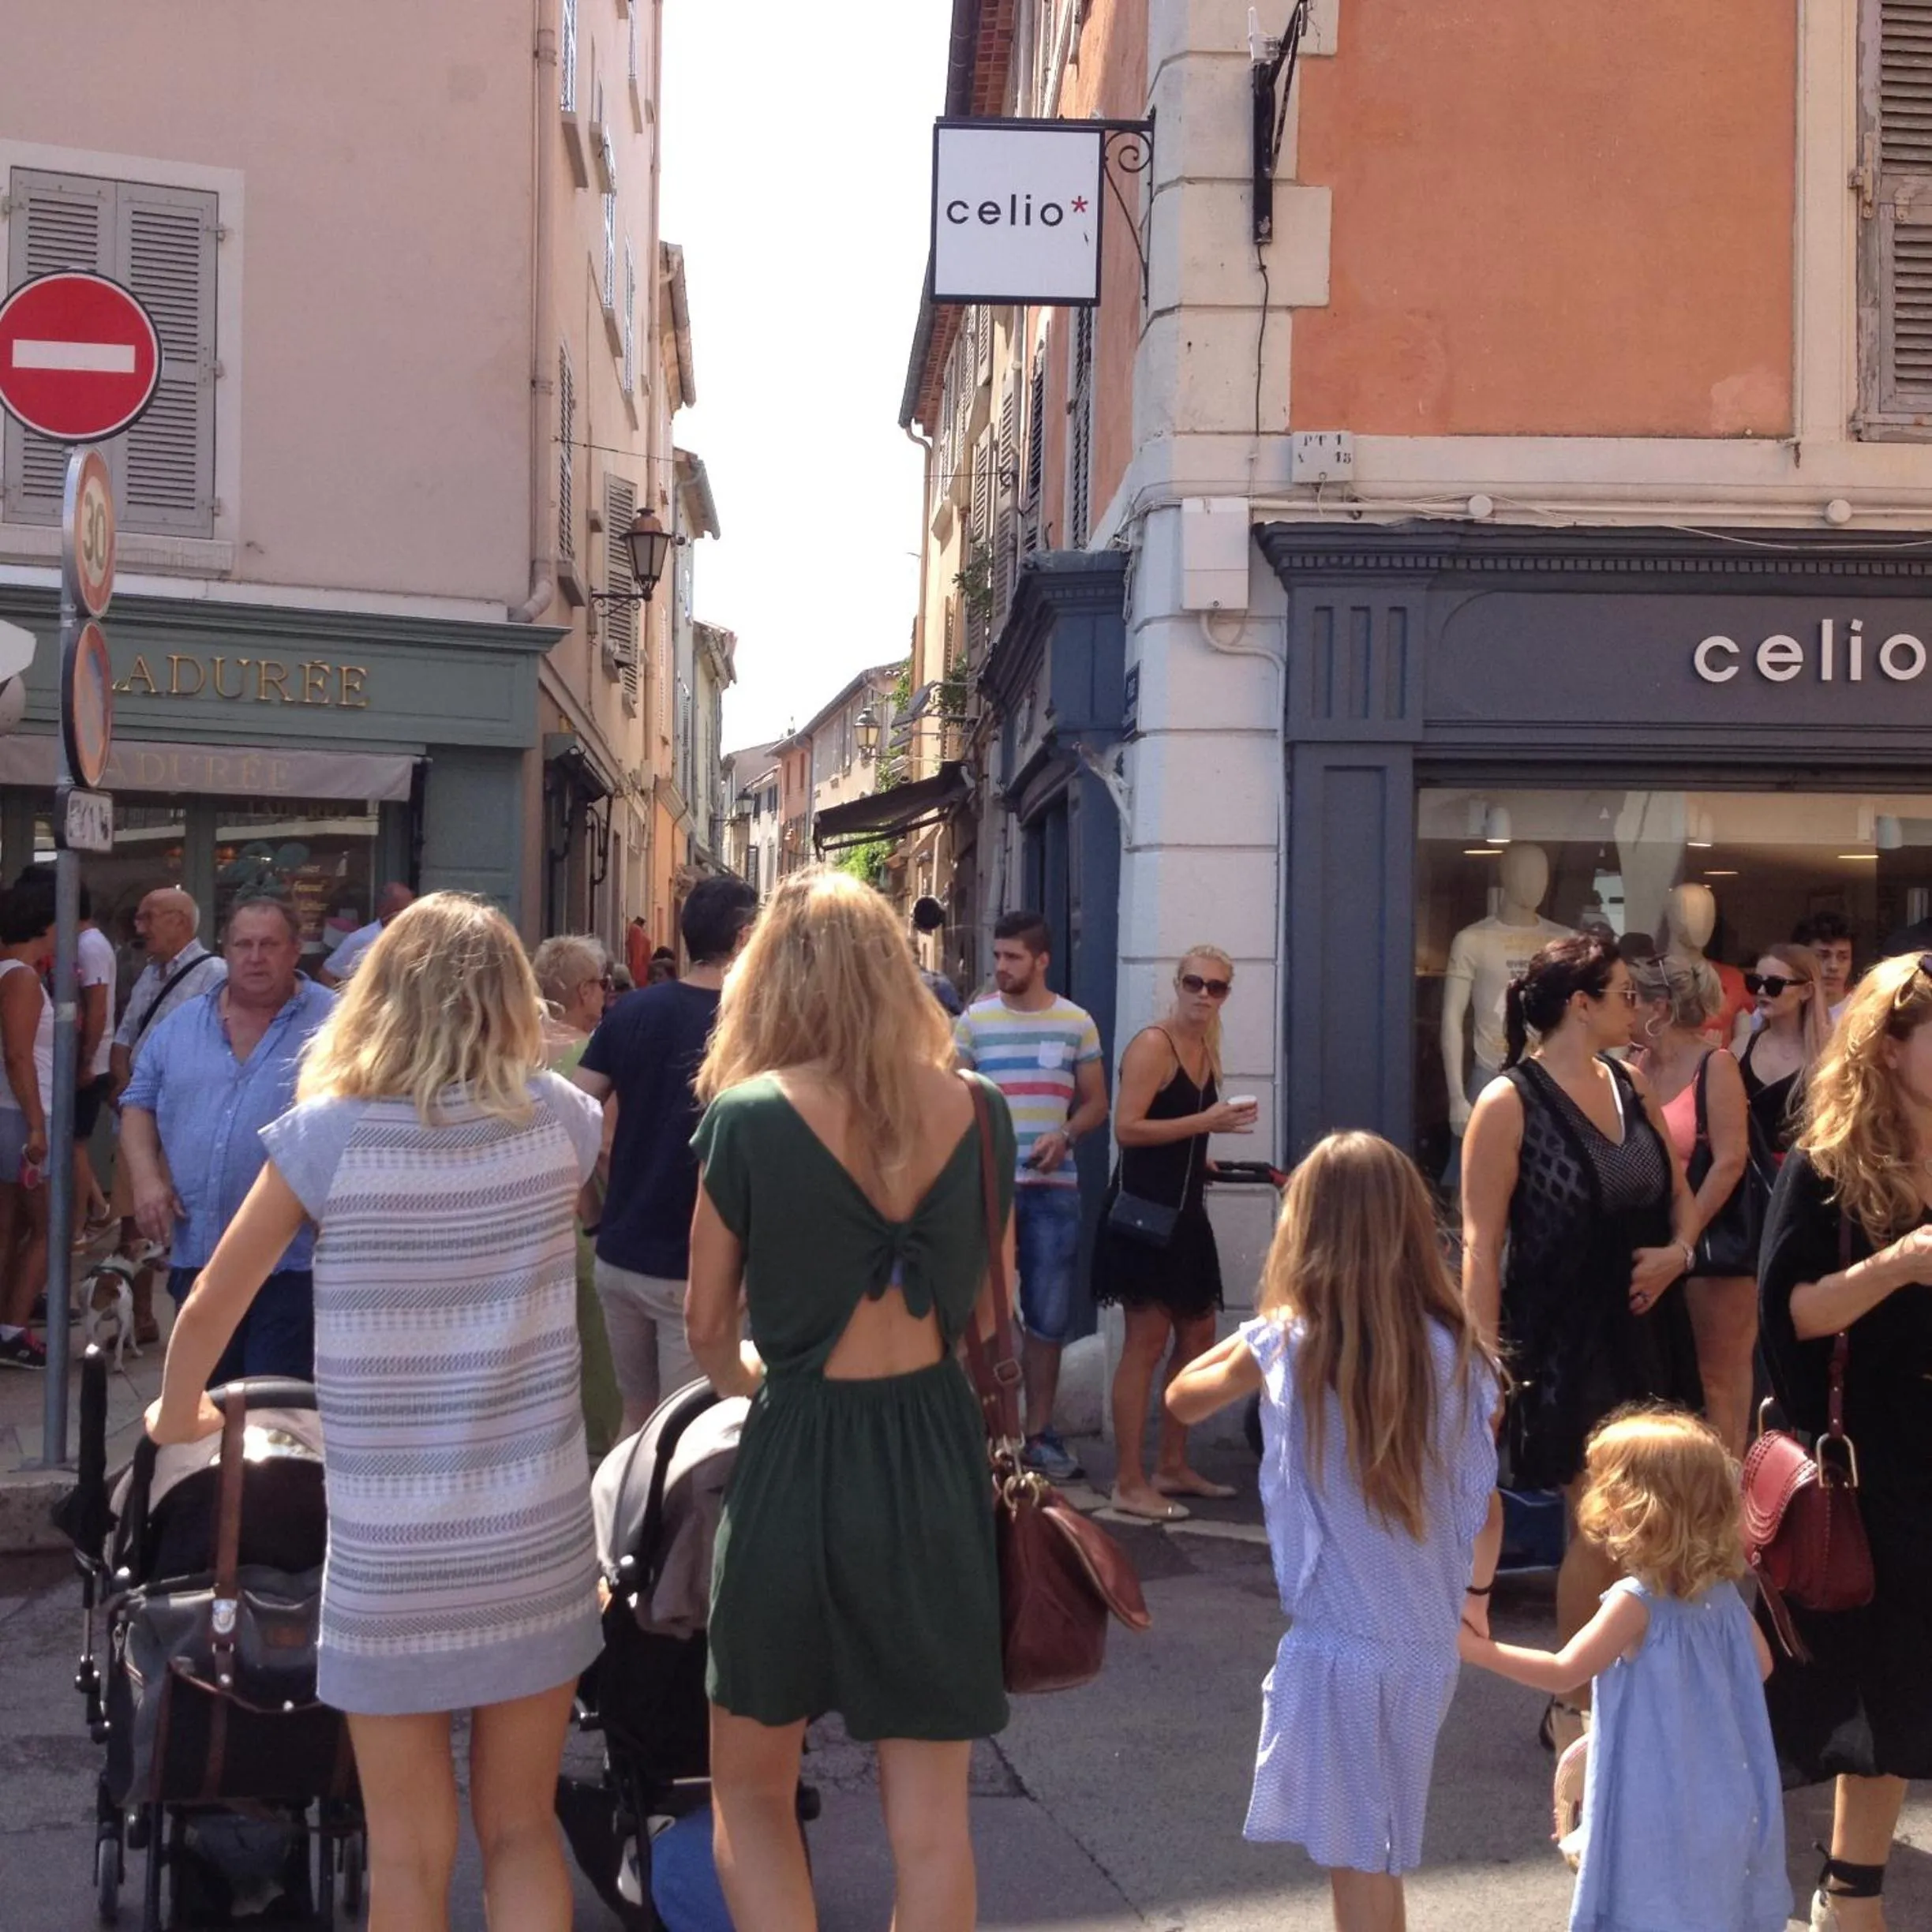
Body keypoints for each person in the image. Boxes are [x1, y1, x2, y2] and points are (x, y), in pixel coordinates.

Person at [145, 893, 606, 1932]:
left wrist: (177, 1414)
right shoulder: (563, 1120)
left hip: (391, 1548)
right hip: (535, 1533)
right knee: (522, 1827)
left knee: (406, 1849)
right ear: (506, 1002)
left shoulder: (328, 1137)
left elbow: (214, 1300)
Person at [686, 867, 1017, 1932]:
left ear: (768, 982)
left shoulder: (744, 1120)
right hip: (932, 1451)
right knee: (931, 1823)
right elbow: (986, 1308)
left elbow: (704, 1330)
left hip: (797, 1450)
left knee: (750, 1786)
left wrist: (762, 1389)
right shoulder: (983, 1110)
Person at [1165, 1132, 1500, 1932]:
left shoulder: (1290, 1342)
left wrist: (1261, 1334)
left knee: (1356, 1869)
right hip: (1422, 1646)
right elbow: (1485, 1507)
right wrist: (1476, 1597)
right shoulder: (1458, 1351)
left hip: (1341, 1644)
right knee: (1378, 1856)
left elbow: (1179, 1399)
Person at [1459, 933, 1702, 1749]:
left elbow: (1679, 1196)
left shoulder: (1629, 1083)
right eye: (1627, 994)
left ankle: (1623, 1695)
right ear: (1581, 1004)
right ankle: (1573, 1708)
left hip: (1646, 1334)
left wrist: (1680, 1254)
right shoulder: (1510, 1103)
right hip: (1560, 1343)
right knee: (1598, 1527)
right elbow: (1479, 1246)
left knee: (1649, 1526)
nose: (1641, 1008)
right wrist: (1483, 1366)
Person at [1458, 1410, 1788, 1932]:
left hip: (1657, 1810)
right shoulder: (1723, 1598)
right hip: (1723, 1798)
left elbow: (1564, 1671)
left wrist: (1480, 1651)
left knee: (1651, 1913)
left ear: (1638, 1508)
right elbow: (1761, 1669)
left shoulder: (1637, 1602)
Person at [1758, 951, 1932, 1932]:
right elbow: (1793, 1318)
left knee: (1910, 1683)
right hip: (1866, 1456)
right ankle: (1846, 1894)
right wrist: (1900, 1264)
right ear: (1892, 1047)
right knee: (1862, 1681)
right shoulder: (1828, 1165)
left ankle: (1848, 1895)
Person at [121, 898, 334, 1383]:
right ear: (226, 950)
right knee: (206, 1411)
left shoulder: (337, 1025)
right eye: (244, 945)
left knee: (272, 1416)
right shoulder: (181, 1026)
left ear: (295, 951)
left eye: (269, 945)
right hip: (200, 1255)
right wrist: (147, 1180)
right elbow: (138, 1104)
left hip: (293, 1266)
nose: (255, 957)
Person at [575, 875, 758, 1436]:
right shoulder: (755, 1024)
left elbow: (569, 1119)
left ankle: (626, 1522)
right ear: (747, 937)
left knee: (638, 1422)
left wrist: (593, 1215)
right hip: (703, 1270)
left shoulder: (630, 1013)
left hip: (622, 1255)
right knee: (691, 1438)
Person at [1092, 945, 1257, 1519]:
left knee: (1199, 1333)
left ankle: (1171, 1463)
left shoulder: (1205, 1046)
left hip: (1184, 1212)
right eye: (1195, 983)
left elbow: (1177, 1134)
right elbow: (1128, 1129)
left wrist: (1206, 1150)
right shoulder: (1152, 1044)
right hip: (1143, 1215)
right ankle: (1129, 1480)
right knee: (1145, 1342)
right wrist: (1204, 1123)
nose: (1204, 995)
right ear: (1178, 983)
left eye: (1216, 987)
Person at [953, 910, 1108, 1483]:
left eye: (1013, 958)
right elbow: (953, 1099)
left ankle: (1039, 1433)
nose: (1001, 967)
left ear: (1042, 960)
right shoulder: (973, 1022)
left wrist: (1064, 1134)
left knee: (1047, 1319)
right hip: (986, 1193)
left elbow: (1096, 1104)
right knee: (981, 1316)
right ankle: (989, 1429)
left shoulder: (1076, 1023)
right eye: (997, 956)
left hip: (1052, 1190)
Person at [1629, 951, 1758, 1457]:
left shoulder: (1716, 1063)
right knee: (1664, 1387)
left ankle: (1732, 1520)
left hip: (1712, 1250)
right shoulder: (1637, 1065)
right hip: (1656, 1249)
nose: (1626, 1009)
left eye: (1632, 998)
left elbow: (1730, 1161)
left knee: (1717, 1384)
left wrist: (1685, 1238)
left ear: (1660, 1006)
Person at [107, 887, 227, 1346]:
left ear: (180, 920)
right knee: (133, 1218)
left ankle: (191, 1319)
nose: (140, 927)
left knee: (180, 1217)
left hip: (179, 1117)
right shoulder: (149, 975)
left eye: (147, 917)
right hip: (137, 1113)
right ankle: (139, 1317)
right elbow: (124, 1035)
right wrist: (122, 1085)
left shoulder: (212, 974)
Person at [531, 934, 623, 1458]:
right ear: (585, 990)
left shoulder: (512, 1049)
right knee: (592, 1362)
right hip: (583, 1228)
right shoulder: (594, 1054)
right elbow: (605, 1148)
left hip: (527, 1230)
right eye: (601, 986)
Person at [0, 879, 55, 1368]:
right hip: (22, 1116)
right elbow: (18, 1055)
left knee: (11, 1223)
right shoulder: (21, 977)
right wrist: (38, 1127)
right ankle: (14, 1329)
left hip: (11, 1112)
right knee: (49, 1226)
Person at [1734, 942, 1830, 1155]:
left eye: (1774, 984)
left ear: (1806, 991)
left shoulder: (1829, 1056)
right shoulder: (1740, 1048)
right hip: (1747, 1178)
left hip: (1802, 1179)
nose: (1761, 990)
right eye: (1754, 982)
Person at [320, 880, 415, 987]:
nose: (408, 916)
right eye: (402, 910)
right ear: (385, 908)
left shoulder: (416, 938)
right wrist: (347, 1002)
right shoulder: (362, 938)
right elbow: (327, 974)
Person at [1795, 912, 1856, 1024]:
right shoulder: (1780, 1014)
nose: (1834, 966)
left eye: (1843, 957)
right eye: (1823, 956)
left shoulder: (1861, 1016)